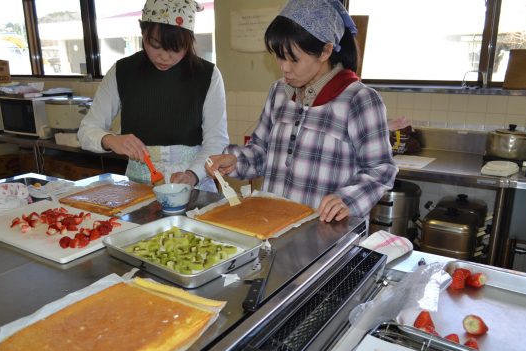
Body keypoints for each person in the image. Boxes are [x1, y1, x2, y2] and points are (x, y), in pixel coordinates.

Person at [206, 0, 397, 222]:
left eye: (293, 59)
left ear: (325, 51)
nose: (284, 67)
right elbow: (261, 150)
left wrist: (347, 199)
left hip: (323, 230)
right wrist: (236, 161)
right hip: (272, 223)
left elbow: (380, 169)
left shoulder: (359, 100)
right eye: (279, 56)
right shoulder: (279, 92)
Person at [78, 0, 228, 191]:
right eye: (155, 45)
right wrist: (110, 140)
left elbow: (216, 141)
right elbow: (86, 131)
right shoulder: (122, 71)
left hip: (194, 183)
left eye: (176, 48)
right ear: (143, 32)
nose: (164, 57)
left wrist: (192, 175)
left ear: (189, 41)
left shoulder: (208, 75)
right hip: (138, 187)